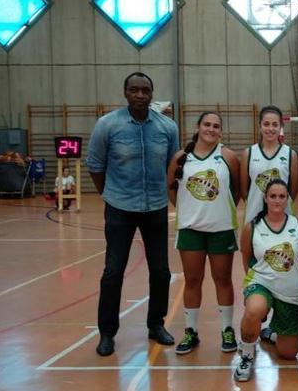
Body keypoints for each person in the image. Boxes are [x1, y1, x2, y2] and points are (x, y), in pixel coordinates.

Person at [86, 72, 179, 357]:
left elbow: (173, 166)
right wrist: (110, 195)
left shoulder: (167, 127)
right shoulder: (107, 125)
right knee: (113, 272)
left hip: (155, 209)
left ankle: (156, 324)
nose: (140, 95)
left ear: (152, 94)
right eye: (134, 90)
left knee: (161, 271)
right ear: (125, 93)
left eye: (145, 91)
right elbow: (95, 165)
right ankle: (107, 333)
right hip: (119, 209)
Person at [167, 112, 240, 355]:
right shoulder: (181, 157)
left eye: (216, 126)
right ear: (198, 127)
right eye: (206, 124)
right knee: (192, 281)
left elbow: (237, 190)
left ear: (221, 132)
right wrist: (189, 210)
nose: (211, 129)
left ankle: (227, 329)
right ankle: (190, 331)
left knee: (223, 280)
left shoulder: (227, 156)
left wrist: (217, 210)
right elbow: (171, 189)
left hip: (221, 229)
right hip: (190, 230)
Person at [234, 179, 298, 382]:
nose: (277, 200)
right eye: (273, 196)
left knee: (288, 353)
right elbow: (247, 259)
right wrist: (252, 288)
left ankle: (270, 334)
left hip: (290, 290)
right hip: (262, 282)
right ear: (266, 198)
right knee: (254, 309)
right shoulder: (252, 227)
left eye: (282, 196)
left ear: (287, 199)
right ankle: (247, 355)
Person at [241, 105, 298, 225]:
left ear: (281, 127)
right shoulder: (249, 153)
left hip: (283, 216)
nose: (270, 128)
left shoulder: (290, 154)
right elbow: (244, 191)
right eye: (266, 124)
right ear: (260, 126)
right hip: (254, 215)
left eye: (275, 124)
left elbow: (293, 190)